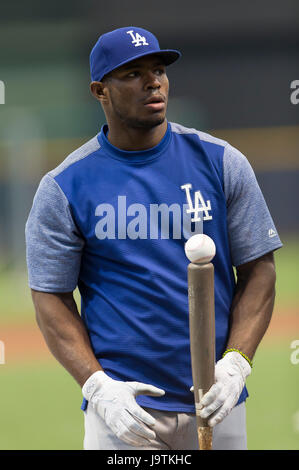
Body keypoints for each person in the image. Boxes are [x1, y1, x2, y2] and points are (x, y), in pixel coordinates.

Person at [25, 26, 283, 450]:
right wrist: (98, 388)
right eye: (132, 74)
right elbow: (49, 296)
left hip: (219, 403)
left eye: (159, 70)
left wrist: (236, 364)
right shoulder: (65, 185)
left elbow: (259, 270)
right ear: (99, 90)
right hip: (124, 413)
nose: (153, 81)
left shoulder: (221, 162)